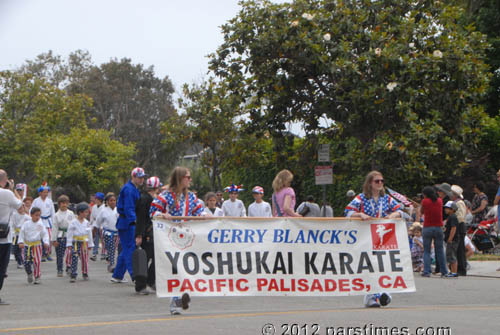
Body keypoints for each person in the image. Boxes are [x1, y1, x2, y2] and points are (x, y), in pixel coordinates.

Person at [151, 166, 204, 315]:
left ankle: (181, 296)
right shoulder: (165, 196)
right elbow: (153, 211)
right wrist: (162, 215)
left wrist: (206, 216)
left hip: (188, 237)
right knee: (176, 269)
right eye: (188, 177)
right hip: (170, 238)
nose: (190, 180)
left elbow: (199, 211)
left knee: (187, 268)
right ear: (180, 178)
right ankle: (175, 300)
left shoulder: (192, 197)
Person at [344, 170, 401, 307]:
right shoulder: (361, 198)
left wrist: (391, 216)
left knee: (383, 264)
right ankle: (372, 296)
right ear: (370, 183)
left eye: (382, 181)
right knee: (370, 265)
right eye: (377, 181)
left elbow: (400, 211)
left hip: (383, 237)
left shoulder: (386, 198)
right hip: (366, 236)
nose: (380, 183)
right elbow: (348, 212)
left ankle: (382, 292)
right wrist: (361, 215)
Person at [111, 167, 146, 284]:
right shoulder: (129, 190)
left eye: (142, 177)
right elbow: (129, 208)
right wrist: (135, 221)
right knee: (130, 249)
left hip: (127, 222)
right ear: (133, 177)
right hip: (128, 223)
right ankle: (135, 276)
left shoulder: (133, 189)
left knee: (126, 249)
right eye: (139, 177)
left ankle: (117, 275)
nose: (141, 179)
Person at [135, 176, 162, 295]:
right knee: (145, 259)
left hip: (153, 232)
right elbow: (140, 219)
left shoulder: (154, 199)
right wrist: (139, 235)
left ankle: (151, 281)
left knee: (157, 258)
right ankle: (141, 285)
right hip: (146, 233)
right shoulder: (144, 199)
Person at [0, 170, 23, 304]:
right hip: (4, 237)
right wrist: (13, 189)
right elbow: (20, 205)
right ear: (5, 180)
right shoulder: (7, 193)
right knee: (2, 267)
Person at [420, 186, 451, 278]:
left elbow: (422, 212)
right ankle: (444, 271)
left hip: (427, 227)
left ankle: (427, 271)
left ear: (425, 194)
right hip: (438, 227)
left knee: (427, 251)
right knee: (440, 250)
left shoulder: (425, 201)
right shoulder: (440, 201)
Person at [18, 207, 50, 284]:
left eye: (39, 215)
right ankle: (29, 273)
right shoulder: (26, 224)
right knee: (26, 262)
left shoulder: (40, 224)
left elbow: (45, 234)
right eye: (36, 215)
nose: (38, 217)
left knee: (37, 262)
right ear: (31, 215)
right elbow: (21, 233)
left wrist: (46, 242)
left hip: (37, 245)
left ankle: (37, 276)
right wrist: (20, 242)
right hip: (27, 246)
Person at [66, 203, 93, 282]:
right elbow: (69, 233)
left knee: (84, 258)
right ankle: (73, 274)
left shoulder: (87, 222)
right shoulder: (73, 222)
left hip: (84, 242)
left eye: (87, 212)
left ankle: (85, 273)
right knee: (74, 257)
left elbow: (89, 234)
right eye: (85, 212)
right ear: (80, 212)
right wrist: (69, 243)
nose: (86, 214)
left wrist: (90, 244)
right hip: (75, 242)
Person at [52, 195, 75, 277]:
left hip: (69, 235)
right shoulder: (56, 215)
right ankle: (59, 269)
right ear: (59, 204)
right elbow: (54, 228)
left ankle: (69, 267)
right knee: (60, 254)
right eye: (62, 203)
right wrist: (54, 240)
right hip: (60, 236)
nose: (64, 205)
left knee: (70, 253)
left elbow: (73, 224)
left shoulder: (71, 213)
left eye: (66, 203)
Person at [32, 184, 55, 261]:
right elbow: (31, 211)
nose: (45, 194)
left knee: (49, 237)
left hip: (48, 221)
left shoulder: (49, 201)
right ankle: (41, 254)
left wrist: (53, 221)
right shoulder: (36, 201)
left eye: (46, 192)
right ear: (40, 193)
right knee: (39, 236)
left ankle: (47, 253)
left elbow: (52, 212)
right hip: (39, 220)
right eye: (44, 192)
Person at [97, 193, 119, 273]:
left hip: (117, 233)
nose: (113, 202)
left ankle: (111, 263)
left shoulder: (118, 210)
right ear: (107, 202)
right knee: (111, 248)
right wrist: (100, 228)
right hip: (107, 233)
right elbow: (98, 221)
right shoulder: (103, 210)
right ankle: (111, 264)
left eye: (114, 200)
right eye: (111, 200)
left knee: (113, 249)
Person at [450, 185, 467, 276]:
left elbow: (460, 216)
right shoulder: (455, 202)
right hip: (459, 226)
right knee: (458, 248)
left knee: (460, 249)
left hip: (459, 226)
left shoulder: (459, 203)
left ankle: (462, 268)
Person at [10, 203, 29, 269]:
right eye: (19, 208)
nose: (20, 209)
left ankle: (22, 261)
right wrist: (12, 233)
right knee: (16, 249)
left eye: (22, 208)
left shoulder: (27, 217)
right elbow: (12, 224)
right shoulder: (14, 215)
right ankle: (19, 261)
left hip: (24, 235)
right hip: (16, 234)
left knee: (23, 249)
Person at [443, 201, 459, 277]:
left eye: (448, 208)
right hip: (450, 239)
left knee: (452, 255)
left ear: (453, 209)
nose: (445, 209)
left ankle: (454, 272)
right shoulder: (450, 217)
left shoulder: (453, 217)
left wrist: (450, 238)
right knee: (449, 255)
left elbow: (453, 228)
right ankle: (452, 271)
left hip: (452, 240)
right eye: (445, 208)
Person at [90, 192, 105, 261]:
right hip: (95, 224)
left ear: (101, 200)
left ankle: (103, 253)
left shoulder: (104, 207)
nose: (96, 200)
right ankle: (94, 253)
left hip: (102, 225)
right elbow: (92, 217)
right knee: (95, 239)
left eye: (97, 199)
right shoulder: (94, 207)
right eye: (95, 199)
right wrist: (91, 225)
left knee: (103, 240)